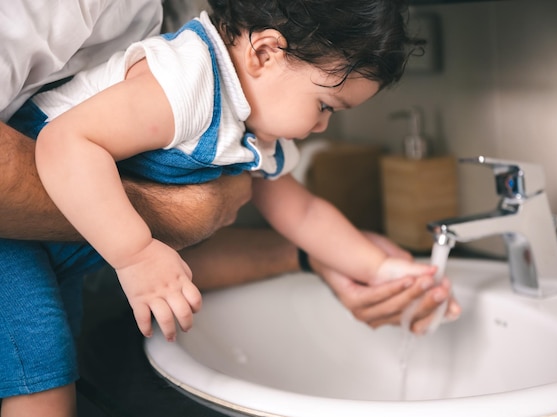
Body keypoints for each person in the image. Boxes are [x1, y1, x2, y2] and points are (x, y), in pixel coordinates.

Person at [0, 1, 459, 416]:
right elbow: (65, 143)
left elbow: (303, 214)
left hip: (53, 255)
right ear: (264, 53)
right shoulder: (186, 79)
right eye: (325, 106)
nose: (321, 125)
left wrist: (380, 268)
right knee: (44, 389)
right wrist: (136, 253)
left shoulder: (250, 128)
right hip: (13, 242)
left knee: (54, 371)